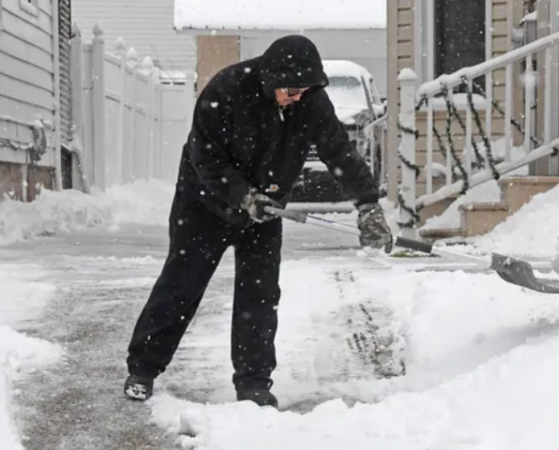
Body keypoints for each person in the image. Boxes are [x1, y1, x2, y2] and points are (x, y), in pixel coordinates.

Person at [123, 35, 393, 408]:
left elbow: (339, 152)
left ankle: (253, 383)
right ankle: (143, 369)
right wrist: (244, 196)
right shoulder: (227, 90)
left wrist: (368, 205)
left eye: (303, 91)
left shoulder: (311, 100)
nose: (296, 97)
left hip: (267, 209)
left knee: (259, 295)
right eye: (290, 90)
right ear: (271, 79)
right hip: (205, 204)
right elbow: (206, 158)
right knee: (182, 284)